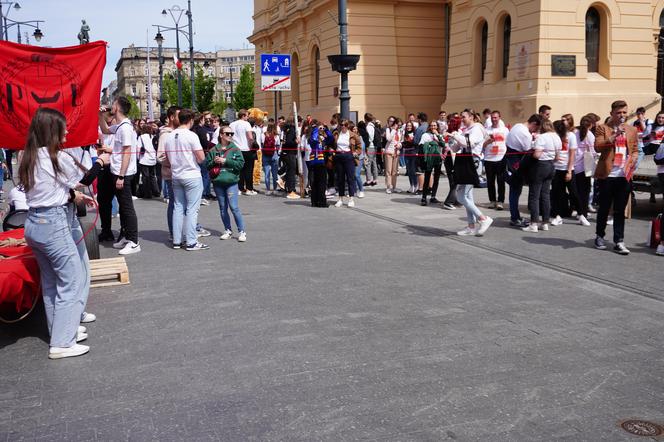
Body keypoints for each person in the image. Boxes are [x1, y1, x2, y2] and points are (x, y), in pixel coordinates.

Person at [19, 108, 99, 359]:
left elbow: (47, 190)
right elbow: (85, 177)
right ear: (52, 131)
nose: (66, 135)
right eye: (63, 130)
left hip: (33, 222)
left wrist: (72, 195)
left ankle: (62, 331)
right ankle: (63, 342)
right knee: (72, 279)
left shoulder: (26, 156)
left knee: (53, 282)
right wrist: (100, 162)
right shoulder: (57, 158)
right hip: (53, 224)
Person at [593, 100, 639, 255]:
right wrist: (614, 136)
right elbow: (598, 147)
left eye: (624, 112)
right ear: (612, 113)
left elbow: (634, 150)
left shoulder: (632, 130)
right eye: (619, 113)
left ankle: (619, 241)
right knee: (604, 208)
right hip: (607, 175)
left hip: (623, 176)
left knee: (620, 211)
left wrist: (633, 159)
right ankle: (599, 236)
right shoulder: (602, 128)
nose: (622, 115)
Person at [98, 97, 140, 255]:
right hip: (116, 171)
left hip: (123, 173)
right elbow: (105, 130)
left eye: (113, 104)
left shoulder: (125, 128)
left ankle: (134, 242)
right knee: (123, 207)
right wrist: (100, 116)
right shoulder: (120, 126)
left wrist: (121, 176)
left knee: (127, 208)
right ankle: (127, 237)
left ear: (118, 107)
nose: (111, 106)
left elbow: (127, 153)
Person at [163, 109, 208, 251]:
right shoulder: (191, 136)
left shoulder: (169, 136)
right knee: (191, 209)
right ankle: (191, 241)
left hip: (176, 175)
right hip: (191, 175)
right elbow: (201, 158)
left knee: (178, 207)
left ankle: (177, 240)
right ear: (191, 120)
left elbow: (168, 159)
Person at [447, 109, 493, 236]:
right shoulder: (465, 130)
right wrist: (453, 138)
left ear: (472, 117)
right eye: (461, 117)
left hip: (473, 162)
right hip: (465, 161)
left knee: (461, 196)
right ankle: (471, 226)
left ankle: (483, 218)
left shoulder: (477, 128)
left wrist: (457, 136)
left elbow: (469, 143)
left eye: (464, 117)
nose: (462, 119)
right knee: (468, 197)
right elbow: (455, 148)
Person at [207, 126, 246, 242]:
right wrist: (213, 162)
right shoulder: (214, 150)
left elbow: (240, 164)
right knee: (223, 208)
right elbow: (207, 165)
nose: (230, 136)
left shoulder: (235, 149)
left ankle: (242, 231)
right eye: (227, 133)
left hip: (231, 182)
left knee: (234, 207)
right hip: (218, 182)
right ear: (221, 135)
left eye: (231, 134)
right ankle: (227, 230)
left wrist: (226, 161)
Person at [522, 120, 560, 232]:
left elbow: (537, 155)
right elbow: (557, 157)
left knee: (534, 196)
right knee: (546, 195)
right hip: (551, 166)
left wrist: (533, 151)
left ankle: (534, 223)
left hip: (540, 166)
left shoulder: (542, 137)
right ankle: (545, 223)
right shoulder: (557, 137)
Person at [505, 114, 542, 227]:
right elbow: (529, 151)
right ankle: (515, 218)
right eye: (536, 128)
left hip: (509, 159)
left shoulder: (517, 126)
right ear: (534, 124)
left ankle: (515, 216)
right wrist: (536, 141)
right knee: (515, 191)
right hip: (516, 163)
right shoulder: (525, 134)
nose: (535, 131)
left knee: (514, 191)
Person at [550, 119, 581, 226]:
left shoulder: (571, 136)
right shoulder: (554, 136)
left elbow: (572, 154)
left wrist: (569, 171)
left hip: (567, 168)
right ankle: (557, 216)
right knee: (556, 193)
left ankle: (581, 214)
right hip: (556, 168)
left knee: (574, 192)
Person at [483, 110, 509, 210]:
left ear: (499, 118)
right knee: (490, 181)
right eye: (492, 118)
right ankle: (492, 201)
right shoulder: (486, 130)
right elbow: (482, 145)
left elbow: (508, 143)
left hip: (501, 158)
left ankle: (500, 201)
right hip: (489, 158)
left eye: (495, 117)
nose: (494, 119)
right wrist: (488, 141)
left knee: (501, 181)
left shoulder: (505, 130)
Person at [574, 115, 596, 227]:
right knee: (585, 192)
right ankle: (583, 213)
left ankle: (578, 211)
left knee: (577, 190)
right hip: (585, 167)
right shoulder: (590, 135)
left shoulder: (575, 133)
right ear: (591, 124)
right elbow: (592, 152)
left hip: (575, 166)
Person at [333, 120, 361, 207]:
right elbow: (331, 143)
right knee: (340, 178)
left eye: (345, 125)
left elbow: (359, 145)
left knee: (350, 178)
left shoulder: (353, 135)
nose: (343, 126)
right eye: (342, 125)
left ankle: (351, 198)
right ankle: (340, 198)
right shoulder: (336, 134)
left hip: (349, 156)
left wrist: (356, 152)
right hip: (338, 156)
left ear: (348, 126)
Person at [229, 109, 256, 195]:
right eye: (247, 116)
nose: (248, 118)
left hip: (235, 150)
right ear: (243, 116)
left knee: (238, 170)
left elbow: (229, 137)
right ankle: (249, 189)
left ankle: (239, 189)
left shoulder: (232, 124)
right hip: (246, 149)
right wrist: (252, 145)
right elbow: (250, 137)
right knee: (248, 170)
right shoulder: (246, 124)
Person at [418, 121, 445, 206]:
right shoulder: (425, 135)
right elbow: (421, 145)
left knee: (436, 178)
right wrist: (432, 144)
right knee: (427, 178)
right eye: (431, 125)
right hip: (429, 159)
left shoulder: (439, 135)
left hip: (438, 159)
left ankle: (433, 196)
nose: (433, 127)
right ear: (429, 127)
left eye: (435, 125)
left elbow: (443, 144)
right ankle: (424, 198)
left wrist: (437, 135)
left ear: (437, 127)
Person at [308, 122, 334, 207]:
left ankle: (321, 201)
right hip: (314, 163)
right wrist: (316, 129)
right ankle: (316, 202)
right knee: (315, 183)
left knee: (322, 183)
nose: (321, 130)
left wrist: (326, 128)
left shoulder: (324, 139)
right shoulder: (312, 138)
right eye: (320, 128)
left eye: (322, 129)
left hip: (322, 163)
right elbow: (314, 139)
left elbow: (331, 138)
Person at [137, 125, 159, 199]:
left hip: (144, 159)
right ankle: (156, 191)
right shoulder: (153, 137)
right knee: (152, 176)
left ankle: (147, 193)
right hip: (153, 159)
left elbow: (138, 148)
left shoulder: (141, 137)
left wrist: (138, 158)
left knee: (145, 177)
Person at [282, 116, 301, 199]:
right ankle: (291, 190)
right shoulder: (292, 129)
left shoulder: (286, 129)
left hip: (287, 152)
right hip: (290, 152)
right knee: (292, 171)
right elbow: (289, 141)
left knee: (291, 170)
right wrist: (296, 142)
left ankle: (284, 182)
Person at [360, 113, 379, 187]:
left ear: (365, 119)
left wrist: (367, 144)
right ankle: (375, 179)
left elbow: (369, 137)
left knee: (367, 163)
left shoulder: (368, 126)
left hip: (369, 146)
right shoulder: (373, 126)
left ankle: (368, 180)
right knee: (374, 163)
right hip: (374, 146)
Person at [384, 116, 401, 194]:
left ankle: (394, 186)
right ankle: (388, 186)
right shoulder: (388, 130)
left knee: (394, 171)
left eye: (393, 121)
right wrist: (393, 130)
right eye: (390, 121)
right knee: (388, 170)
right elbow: (388, 139)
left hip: (396, 152)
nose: (392, 122)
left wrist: (399, 145)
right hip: (389, 152)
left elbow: (400, 141)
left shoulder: (399, 131)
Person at [262, 123, 279, 195]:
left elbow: (262, 143)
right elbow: (278, 146)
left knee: (266, 173)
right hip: (274, 154)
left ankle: (268, 190)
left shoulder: (263, 134)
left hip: (265, 155)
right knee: (274, 174)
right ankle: (275, 189)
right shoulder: (276, 136)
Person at [401, 121, 418, 193]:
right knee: (409, 170)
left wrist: (411, 141)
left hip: (413, 152)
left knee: (413, 170)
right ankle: (411, 186)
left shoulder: (415, 133)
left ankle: (416, 185)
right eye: (407, 126)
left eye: (410, 126)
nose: (408, 127)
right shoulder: (404, 134)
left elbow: (416, 143)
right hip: (406, 152)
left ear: (412, 127)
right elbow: (403, 143)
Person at [351, 123, 365, 198]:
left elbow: (361, 148)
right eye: (353, 129)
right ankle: (354, 190)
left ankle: (361, 190)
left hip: (359, 158)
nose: (355, 130)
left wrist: (355, 152)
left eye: (356, 129)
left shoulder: (360, 137)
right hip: (351, 158)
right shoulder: (350, 138)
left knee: (356, 175)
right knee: (352, 175)